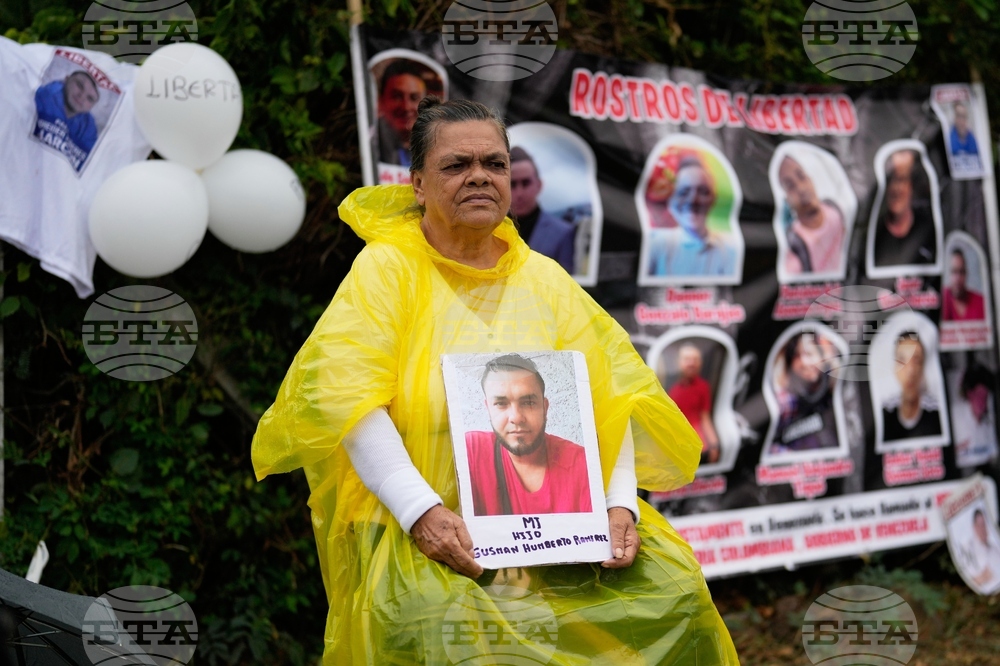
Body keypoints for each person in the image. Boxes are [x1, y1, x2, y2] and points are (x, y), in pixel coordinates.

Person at [252, 97, 737, 664]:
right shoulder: (387, 271)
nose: (479, 176)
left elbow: (610, 398)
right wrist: (421, 513)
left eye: (495, 163)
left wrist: (620, 505)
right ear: (417, 184)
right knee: (445, 636)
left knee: (677, 596)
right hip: (428, 531)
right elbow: (350, 403)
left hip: (560, 531)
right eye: (457, 165)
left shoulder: (544, 279)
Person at [466, 354, 591, 515]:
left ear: (545, 408)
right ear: (488, 408)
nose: (516, 417)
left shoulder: (581, 462)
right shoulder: (471, 451)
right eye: (501, 404)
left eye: (528, 402)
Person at [645, 151, 737, 278]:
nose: (693, 200)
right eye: (683, 192)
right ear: (670, 202)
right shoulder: (654, 244)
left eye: (703, 192)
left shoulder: (731, 249)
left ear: (713, 199)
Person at [770, 332, 840, 453]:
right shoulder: (786, 400)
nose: (804, 362)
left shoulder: (837, 391)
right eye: (796, 356)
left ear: (823, 358)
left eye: (809, 354)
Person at [509, 146, 576, 272]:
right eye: (512, 184)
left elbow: (567, 285)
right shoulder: (489, 231)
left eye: (526, 183)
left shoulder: (562, 232)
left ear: (539, 185)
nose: (519, 193)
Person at [776, 155, 846, 275]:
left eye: (802, 177)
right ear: (785, 199)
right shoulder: (794, 246)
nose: (801, 189)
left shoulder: (835, 210)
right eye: (790, 186)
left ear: (810, 179)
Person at [872, 150, 936, 267]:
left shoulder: (929, 231)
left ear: (912, 185)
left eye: (901, 179)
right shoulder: (871, 235)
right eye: (890, 179)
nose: (895, 189)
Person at [882, 330, 942, 442]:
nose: (910, 370)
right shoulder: (884, 414)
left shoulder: (938, 413)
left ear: (924, 368)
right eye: (902, 360)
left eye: (917, 360)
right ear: (895, 369)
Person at [667, 344, 720, 464]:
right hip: (680, 449)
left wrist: (714, 445)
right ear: (679, 363)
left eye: (695, 359)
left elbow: (705, 417)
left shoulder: (703, 387)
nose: (691, 363)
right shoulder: (673, 391)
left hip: (700, 447)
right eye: (687, 359)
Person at [375, 60, 433, 167]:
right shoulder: (370, 142)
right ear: (381, 101)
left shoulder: (435, 142)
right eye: (397, 96)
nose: (406, 107)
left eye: (414, 98)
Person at [34, 69, 100, 154]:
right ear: (66, 79)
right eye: (80, 85)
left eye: (90, 98)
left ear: (93, 106)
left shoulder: (88, 126)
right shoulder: (43, 97)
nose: (82, 96)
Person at [952, 364, 997, 466]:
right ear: (969, 393)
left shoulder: (989, 421)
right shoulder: (955, 417)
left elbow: (992, 455)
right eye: (979, 395)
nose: (983, 401)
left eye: (986, 396)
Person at [942, 248, 986, 321]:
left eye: (961, 272)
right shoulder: (942, 299)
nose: (958, 278)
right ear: (948, 274)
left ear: (966, 274)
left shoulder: (980, 303)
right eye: (954, 271)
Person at [963, 509, 1000, 589]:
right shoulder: (969, 550)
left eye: (984, 524)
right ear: (974, 527)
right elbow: (972, 581)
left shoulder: (995, 549)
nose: (982, 529)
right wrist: (984, 577)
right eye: (979, 525)